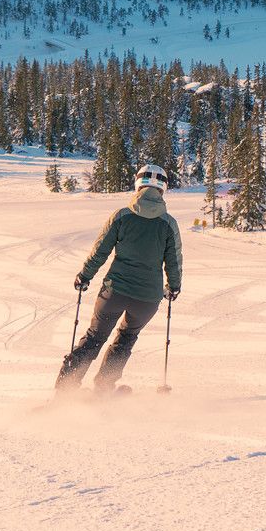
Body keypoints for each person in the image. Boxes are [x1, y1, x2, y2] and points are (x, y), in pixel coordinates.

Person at [58, 163, 184, 395]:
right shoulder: (168, 224)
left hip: (113, 293)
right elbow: (174, 261)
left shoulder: (122, 216)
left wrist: (85, 276)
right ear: (163, 188)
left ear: (138, 184)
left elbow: (100, 251)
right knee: (126, 338)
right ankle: (104, 388)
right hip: (147, 299)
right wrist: (174, 286)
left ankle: (66, 388)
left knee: (95, 337)